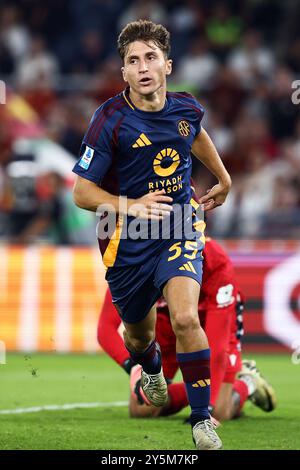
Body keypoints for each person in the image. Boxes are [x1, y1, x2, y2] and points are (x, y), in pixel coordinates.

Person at [73, 20, 231, 449]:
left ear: (167, 65)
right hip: (123, 237)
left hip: (180, 224)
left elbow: (195, 136)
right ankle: (153, 369)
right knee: (138, 337)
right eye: (132, 61)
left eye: (150, 58)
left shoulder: (186, 108)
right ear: (123, 72)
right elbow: (81, 193)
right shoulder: (109, 120)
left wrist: (223, 177)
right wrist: (132, 206)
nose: (142, 67)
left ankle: (202, 420)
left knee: (184, 317)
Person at [98, 238, 277, 421]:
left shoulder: (214, 260)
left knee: (219, 411)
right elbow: (105, 329)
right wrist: (135, 367)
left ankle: (247, 382)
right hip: (167, 323)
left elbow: (216, 344)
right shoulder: (135, 256)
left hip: (210, 323)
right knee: (142, 409)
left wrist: (206, 407)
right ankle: (197, 387)